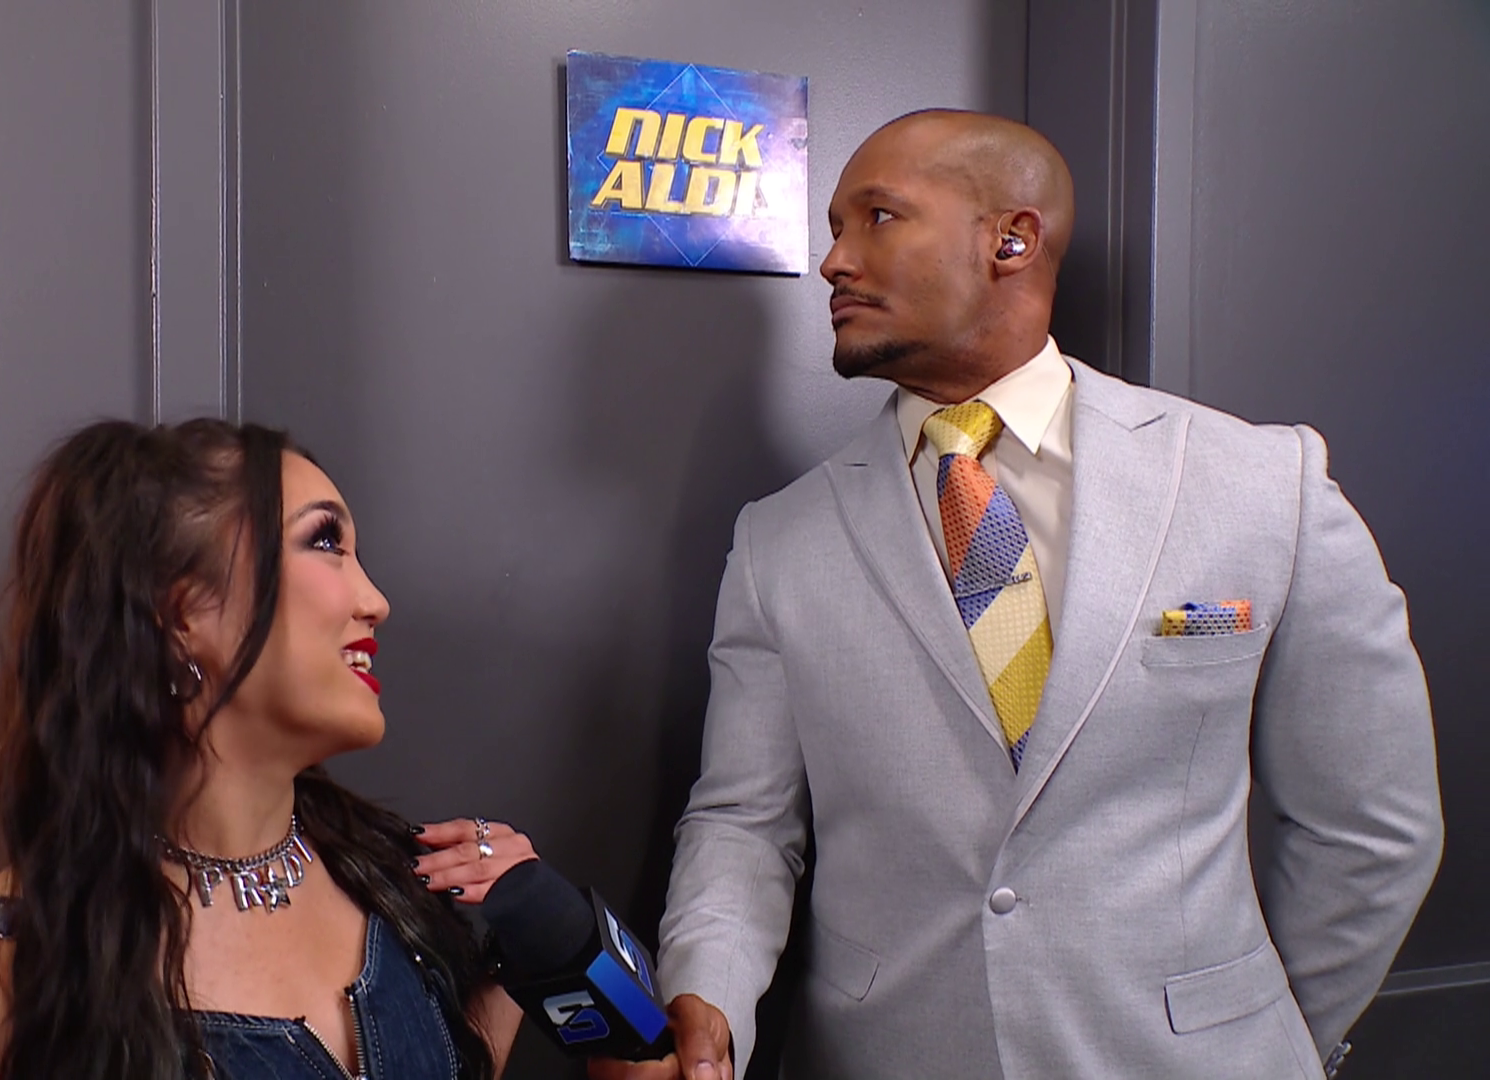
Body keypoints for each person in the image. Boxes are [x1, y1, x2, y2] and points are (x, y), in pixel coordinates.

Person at [592, 110, 1443, 1080]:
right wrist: (706, 1000)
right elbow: (744, 823)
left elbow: (1371, 827)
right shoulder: (779, 540)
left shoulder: (1259, 484)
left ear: (1012, 240)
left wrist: (1261, 1043)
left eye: (878, 217)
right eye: (834, 228)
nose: (834, 261)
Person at [0, 419, 534, 1080]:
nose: (375, 601)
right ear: (181, 613)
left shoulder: (393, 889)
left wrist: (535, 952)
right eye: (325, 541)